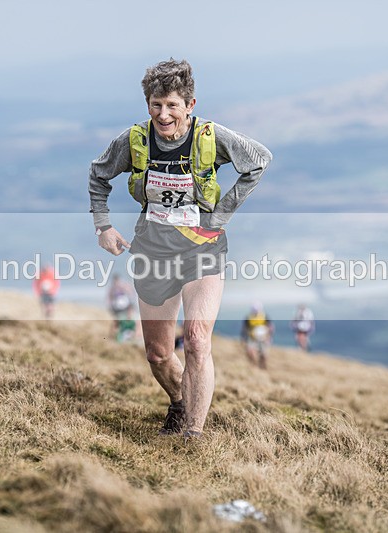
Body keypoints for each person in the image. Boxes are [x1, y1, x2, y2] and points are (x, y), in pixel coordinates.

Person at [89, 58, 272, 440]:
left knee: (196, 340)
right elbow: (98, 175)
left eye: (172, 105)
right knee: (157, 353)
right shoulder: (134, 140)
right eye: (156, 105)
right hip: (153, 250)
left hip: (203, 249)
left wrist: (219, 217)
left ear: (189, 104)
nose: (163, 114)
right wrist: (103, 226)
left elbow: (258, 160)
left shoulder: (210, 136)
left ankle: (193, 434)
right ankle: (179, 401)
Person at [241, 302, 274, 369]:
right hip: (252, 338)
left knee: (264, 356)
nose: (256, 312)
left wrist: (268, 337)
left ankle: (262, 368)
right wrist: (243, 338)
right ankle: (254, 366)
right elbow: (245, 329)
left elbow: (270, 327)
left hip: (263, 338)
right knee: (250, 352)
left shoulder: (264, 316)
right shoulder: (248, 318)